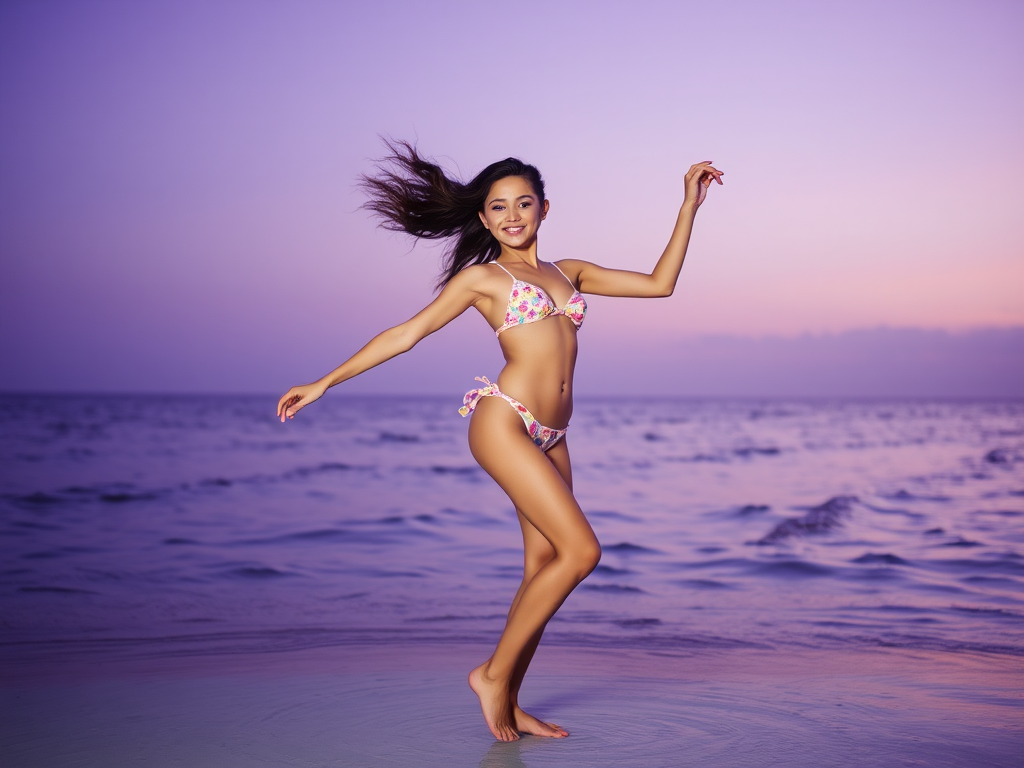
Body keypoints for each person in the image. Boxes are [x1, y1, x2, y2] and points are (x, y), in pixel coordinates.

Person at [277, 141, 723, 741]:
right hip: (504, 420)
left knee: (544, 567)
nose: (512, 215)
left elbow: (660, 284)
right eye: (498, 207)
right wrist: (325, 381)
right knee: (581, 553)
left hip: (554, 434)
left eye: (523, 203)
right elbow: (407, 333)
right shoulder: (483, 278)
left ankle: (508, 699)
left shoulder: (571, 273)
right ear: (484, 219)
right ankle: (491, 677)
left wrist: (688, 206)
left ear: (544, 208)